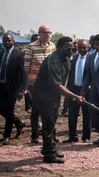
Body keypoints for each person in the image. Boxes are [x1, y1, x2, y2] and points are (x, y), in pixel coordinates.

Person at [31, 36, 83, 164]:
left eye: (72, 49)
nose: (71, 52)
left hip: (54, 96)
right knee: (48, 124)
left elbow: (62, 81)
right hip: (44, 96)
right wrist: (74, 96)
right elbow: (56, 84)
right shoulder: (53, 61)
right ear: (60, 47)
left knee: (52, 123)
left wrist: (66, 95)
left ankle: (50, 149)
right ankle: (49, 155)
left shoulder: (65, 59)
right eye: (68, 49)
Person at [0, 33, 26, 145]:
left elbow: (23, 73)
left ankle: (7, 135)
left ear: (13, 41)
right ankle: (18, 122)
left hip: (13, 87)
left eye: (9, 41)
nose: (7, 43)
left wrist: (21, 89)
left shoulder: (19, 54)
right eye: (5, 41)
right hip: (1, 86)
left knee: (9, 110)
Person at [24, 25, 56, 143]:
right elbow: (26, 67)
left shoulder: (52, 46)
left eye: (49, 32)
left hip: (50, 83)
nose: (48, 34)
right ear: (39, 33)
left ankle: (51, 135)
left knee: (51, 110)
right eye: (45, 32)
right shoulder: (31, 47)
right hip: (36, 84)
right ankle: (34, 136)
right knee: (36, 110)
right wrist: (26, 86)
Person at [64, 39, 91, 143]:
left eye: (84, 47)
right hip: (74, 90)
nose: (82, 49)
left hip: (86, 90)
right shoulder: (73, 58)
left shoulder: (91, 58)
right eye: (80, 47)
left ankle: (86, 137)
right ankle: (72, 136)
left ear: (88, 47)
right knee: (72, 114)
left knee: (87, 115)